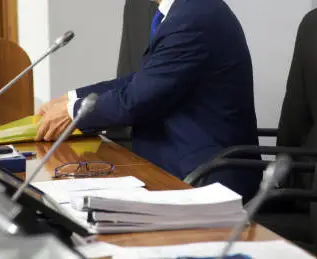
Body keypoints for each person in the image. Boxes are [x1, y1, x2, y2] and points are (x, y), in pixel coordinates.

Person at [36, 0, 261, 201]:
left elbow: (138, 100)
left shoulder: (194, 15)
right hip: (175, 165)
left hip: (204, 176)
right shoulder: (185, 10)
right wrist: (73, 97)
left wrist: (74, 112)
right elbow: (146, 79)